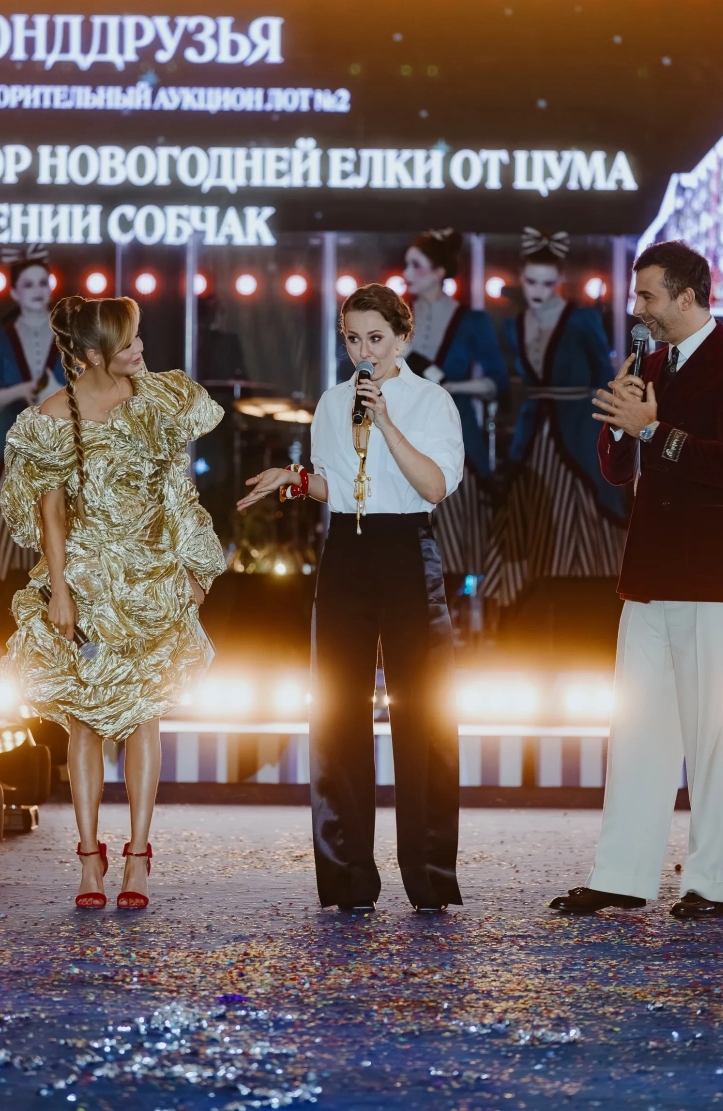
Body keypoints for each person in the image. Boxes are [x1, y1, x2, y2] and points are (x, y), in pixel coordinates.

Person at [550, 241, 723, 919]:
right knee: (637, 729)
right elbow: (617, 470)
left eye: (647, 295)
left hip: (720, 575)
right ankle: (622, 875)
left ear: (687, 296)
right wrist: (621, 429)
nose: (637, 308)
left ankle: (708, 884)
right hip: (650, 572)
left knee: (714, 737)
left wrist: (653, 431)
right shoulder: (648, 364)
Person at [238, 283, 464, 913]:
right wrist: (295, 479)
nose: (364, 352)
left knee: (425, 713)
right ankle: (347, 878)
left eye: (376, 338)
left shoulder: (432, 401)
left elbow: (434, 487)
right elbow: (336, 486)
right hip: (346, 552)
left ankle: (428, 877)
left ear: (403, 338)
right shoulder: (332, 403)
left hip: (407, 550)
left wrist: (386, 421)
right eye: (353, 339)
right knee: (336, 712)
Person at [0, 295, 225, 910]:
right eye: (127, 343)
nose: (140, 349)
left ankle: (138, 856)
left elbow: (178, 491)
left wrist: (195, 570)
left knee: (145, 713)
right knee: (86, 720)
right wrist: (60, 591)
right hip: (87, 585)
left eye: (139, 337)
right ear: (94, 355)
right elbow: (50, 516)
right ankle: (88, 859)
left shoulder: (157, 400)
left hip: (151, 583)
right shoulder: (53, 416)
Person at [483, 228, 627, 608]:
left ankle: (585, 595)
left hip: (578, 423)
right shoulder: (513, 325)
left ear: (560, 280)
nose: (538, 290)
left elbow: (604, 375)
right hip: (533, 427)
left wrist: (610, 429)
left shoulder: (582, 319)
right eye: (531, 281)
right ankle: (527, 597)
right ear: (521, 277)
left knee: (582, 500)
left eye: (547, 283)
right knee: (528, 499)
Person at [402, 228, 507, 588]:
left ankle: (456, 610)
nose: (407, 273)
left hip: (454, 433)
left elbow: (497, 381)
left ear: (438, 271)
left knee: (454, 537)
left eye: (416, 265)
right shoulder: (396, 318)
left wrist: (451, 388)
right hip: (403, 434)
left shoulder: (472, 320)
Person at [0, 246, 66, 589]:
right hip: (11, 438)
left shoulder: (68, 338)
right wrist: (21, 390)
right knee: (2, 504)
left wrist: (56, 391)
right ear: (15, 292)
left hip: (57, 439)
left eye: (42, 283)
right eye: (29, 284)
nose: (37, 290)